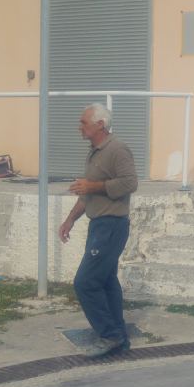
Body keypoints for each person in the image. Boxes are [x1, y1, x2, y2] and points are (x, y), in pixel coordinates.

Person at [58, 103, 139, 358]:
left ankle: (109, 335)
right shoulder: (94, 153)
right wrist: (70, 220)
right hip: (98, 225)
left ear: (100, 124)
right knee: (105, 281)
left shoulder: (117, 149)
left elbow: (130, 182)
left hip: (111, 225)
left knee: (85, 282)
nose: (79, 127)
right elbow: (87, 195)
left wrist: (94, 186)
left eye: (84, 122)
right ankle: (118, 338)